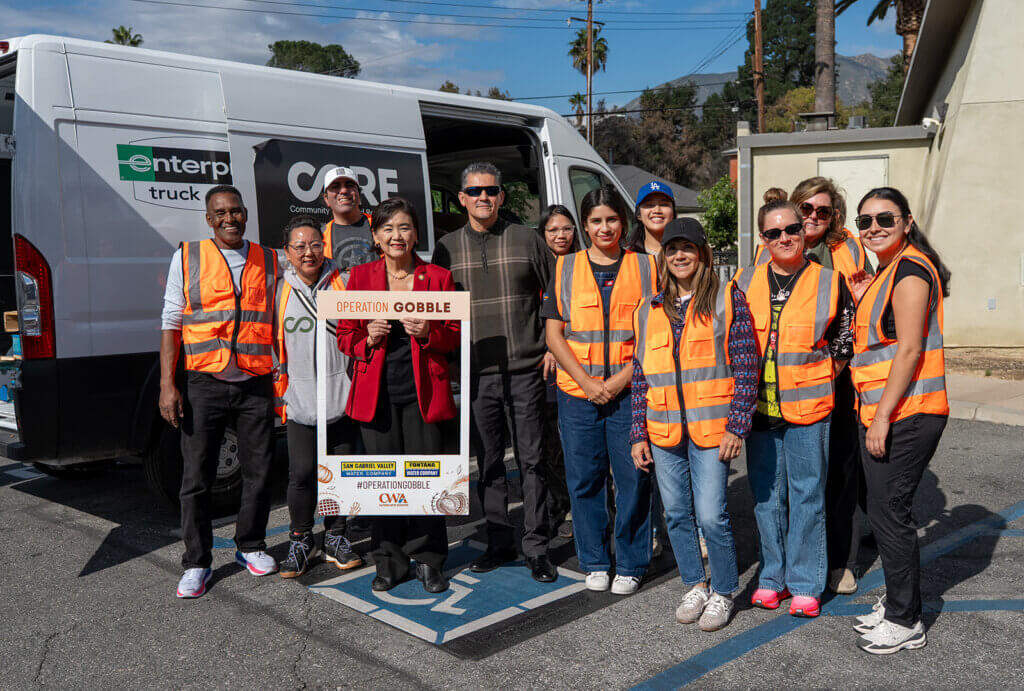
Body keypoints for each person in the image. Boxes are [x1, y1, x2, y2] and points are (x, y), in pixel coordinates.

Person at [630, 218, 759, 631]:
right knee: (676, 515)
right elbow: (639, 376)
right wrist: (638, 433)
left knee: (710, 515)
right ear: (663, 257)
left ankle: (722, 591)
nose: (679, 255)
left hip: (712, 429)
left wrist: (737, 425)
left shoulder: (727, 298)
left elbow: (746, 364)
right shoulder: (648, 310)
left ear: (702, 253)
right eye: (672, 249)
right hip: (663, 428)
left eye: (687, 247)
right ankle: (695, 584)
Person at [431, 162, 556, 583]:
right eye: (475, 191)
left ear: (502, 196)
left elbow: (553, 299)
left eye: (491, 190)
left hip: (526, 370)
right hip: (475, 373)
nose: (484, 197)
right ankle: (500, 541)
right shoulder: (446, 248)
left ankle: (537, 546)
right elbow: (437, 309)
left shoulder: (527, 239)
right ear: (462, 197)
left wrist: (552, 347)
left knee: (533, 459)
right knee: (487, 462)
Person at [732, 198, 854, 618]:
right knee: (767, 499)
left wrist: (815, 380)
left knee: (807, 497)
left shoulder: (829, 281)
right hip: (758, 412)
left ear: (803, 232)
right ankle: (772, 579)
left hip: (809, 411)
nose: (784, 238)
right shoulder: (743, 282)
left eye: (791, 230)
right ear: (762, 239)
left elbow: (843, 343)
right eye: (773, 232)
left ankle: (805, 583)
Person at [159, 185, 279, 598]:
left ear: (246, 214)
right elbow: (171, 320)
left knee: (259, 470)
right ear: (209, 219)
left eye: (237, 211)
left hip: (254, 380)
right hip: (203, 382)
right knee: (196, 478)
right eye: (221, 213)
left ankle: (250, 545)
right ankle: (196, 562)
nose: (230, 219)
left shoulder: (268, 259)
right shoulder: (187, 256)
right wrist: (167, 384)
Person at [338, 197, 460, 594]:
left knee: (428, 480)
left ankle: (429, 560)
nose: (397, 236)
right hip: (377, 396)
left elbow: (455, 336)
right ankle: (388, 560)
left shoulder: (438, 278)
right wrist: (366, 338)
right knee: (383, 480)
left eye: (405, 227)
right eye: (388, 229)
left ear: (417, 234)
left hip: (424, 394)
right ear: (375, 236)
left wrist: (429, 333)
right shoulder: (359, 278)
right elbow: (344, 336)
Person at [847, 187, 950, 655]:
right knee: (884, 510)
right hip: (889, 410)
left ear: (907, 222)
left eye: (884, 219)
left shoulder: (909, 270)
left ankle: (906, 620)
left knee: (891, 515)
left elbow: (908, 350)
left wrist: (882, 417)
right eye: (865, 221)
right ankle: (896, 603)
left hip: (907, 412)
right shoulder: (888, 271)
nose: (873, 229)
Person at [544, 186, 657, 595]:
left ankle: (630, 562)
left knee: (633, 478)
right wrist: (589, 383)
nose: (604, 227)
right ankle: (594, 559)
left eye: (611, 219)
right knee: (585, 479)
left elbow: (655, 335)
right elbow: (554, 334)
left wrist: (618, 380)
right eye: (595, 220)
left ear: (623, 223)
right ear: (584, 225)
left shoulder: (647, 267)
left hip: (628, 392)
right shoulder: (565, 267)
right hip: (578, 394)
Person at [788, 178, 874, 596]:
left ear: (834, 214)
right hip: (788, 379)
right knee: (797, 477)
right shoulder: (775, 243)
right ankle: (797, 559)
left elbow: (869, 306)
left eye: (823, 211)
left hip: (839, 377)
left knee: (840, 472)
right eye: (806, 208)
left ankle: (842, 562)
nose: (813, 218)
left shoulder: (850, 249)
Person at [273, 216, 362, 578]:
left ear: (323, 247)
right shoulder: (278, 290)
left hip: (341, 399)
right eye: (299, 246)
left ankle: (337, 536)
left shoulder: (344, 283)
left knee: (338, 474)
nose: (308, 252)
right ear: (287, 253)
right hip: (301, 402)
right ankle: (300, 539)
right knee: (302, 474)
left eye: (314, 244)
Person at [538, 205, 580, 539]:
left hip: (576, 366)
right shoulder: (538, 267)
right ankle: (556, 507)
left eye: (566, 229)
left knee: (575, 446)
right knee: (549, 445)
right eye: (553, 230)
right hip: (543, 371)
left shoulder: (582, 265)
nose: (560, 236)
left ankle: (580, 508)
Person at [321, 166, 374, 275]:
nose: (344, 190)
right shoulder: (321, 236)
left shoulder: (380, 225)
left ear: (359, 195)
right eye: (336, 186)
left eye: (349, 185)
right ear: (326, 199)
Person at [629, 181, 675, 255]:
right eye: (649, 205)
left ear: (673, 213)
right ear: (638, 215)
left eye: (664, 204)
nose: (657, 210)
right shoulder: (626, 256)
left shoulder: (685, 255)